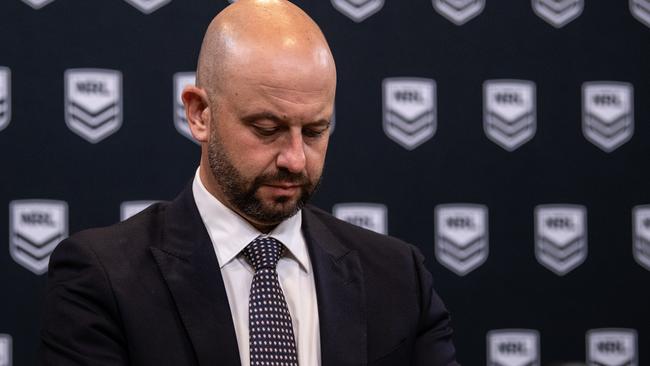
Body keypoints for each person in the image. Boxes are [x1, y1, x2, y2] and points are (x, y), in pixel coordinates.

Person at [40, 1, 459, 365]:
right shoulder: (104, 279)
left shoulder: (398, 278)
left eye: (315, 131)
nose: (295, 159)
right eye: (267, 128)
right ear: (200, 113)